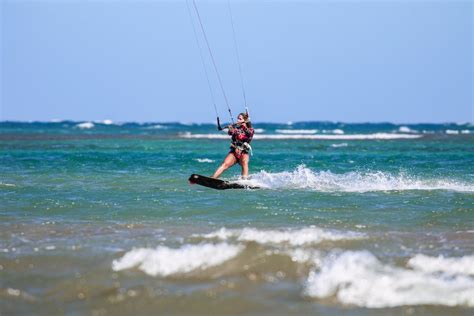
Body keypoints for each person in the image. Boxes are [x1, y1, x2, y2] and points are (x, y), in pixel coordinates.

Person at [212, 112, 254, 179]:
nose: (237, 120)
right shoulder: (236, 128)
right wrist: (230, 128)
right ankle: (212, 178)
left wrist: (242, 126)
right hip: (234, 151)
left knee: (244, 163)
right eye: (237, 119)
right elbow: (230, 133)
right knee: (224, 164)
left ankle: (244, 181)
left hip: (244, 152)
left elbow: (248, 134)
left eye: (240, 119)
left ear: (245, 120)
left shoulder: (250, 129)